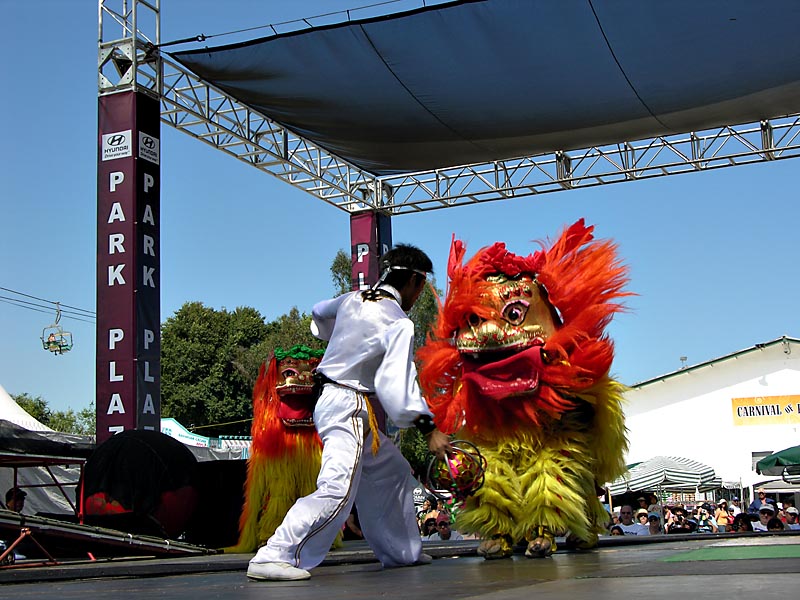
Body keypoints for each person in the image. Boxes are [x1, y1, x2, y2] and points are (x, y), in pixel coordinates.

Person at [247, 244, 451, 581]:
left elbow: (318, 312)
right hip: (348, 404)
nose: (418, 296)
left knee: (393, 470)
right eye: (421, 286)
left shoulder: (353, 299)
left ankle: (402, 553)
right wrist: (429, 429)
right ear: (414, 281)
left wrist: (338, 339)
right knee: (338, 488)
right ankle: (274, 553)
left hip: (339, 401)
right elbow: (398, 388)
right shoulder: (398, 321)